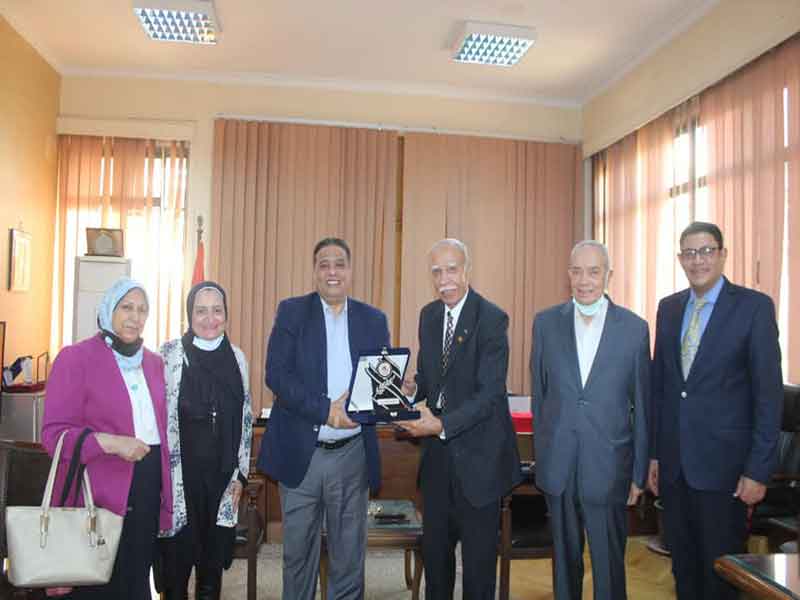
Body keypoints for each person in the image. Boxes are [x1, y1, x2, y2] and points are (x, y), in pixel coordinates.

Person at [648, 221, 783, 600]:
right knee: (684, 571)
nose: (698, 260)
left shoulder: (753, 308)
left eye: (706, 251)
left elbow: (768, 397)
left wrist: (758, 470)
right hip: (675, 471)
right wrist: (656, 454)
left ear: (723, 254)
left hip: (726, 474)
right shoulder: (669, 308)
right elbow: (662, 387)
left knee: (722, 578)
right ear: (680, 259)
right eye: (689, 253)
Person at [257, 237, 390, 600]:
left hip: (352, 456)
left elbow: (378, 381)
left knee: (349, 558)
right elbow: (277, 375)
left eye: (339, 264)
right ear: (315, 271)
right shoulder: (291, 312)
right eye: (324, 264)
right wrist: (327, 410)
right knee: (298, 556)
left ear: (350, 271)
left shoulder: (374, 319)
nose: (332, 271)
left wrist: (395, 387)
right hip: (302, 453)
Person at [398, 238, 521, 600]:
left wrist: (441, 424)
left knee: (479, 572)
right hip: (437, 465)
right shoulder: (429, 316)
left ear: (467, 270)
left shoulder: (492, 319)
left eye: (451, 269)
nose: (444, 279)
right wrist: (409, 390)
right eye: (436, 271)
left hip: (479, 462)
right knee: (436, 565)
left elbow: (489, 395)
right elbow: (430, 380)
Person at [530, 240, 649, 600]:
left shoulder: (634, 328)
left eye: (594, 271)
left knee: (609, 566)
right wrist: (543, 459)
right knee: (564, 566)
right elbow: (541, 398)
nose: (584, 280)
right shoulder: (546, 323)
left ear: (608, 275)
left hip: (609, 465)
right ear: (568, 275)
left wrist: (639, 473)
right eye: (577, 271)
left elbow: (643, 406)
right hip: (560, 465)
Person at [41, 277, 172, 600]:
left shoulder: (155, 364)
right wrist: (112, 443)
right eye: (126, 307)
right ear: (108, 310)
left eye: (142, 310)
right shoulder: (75, 358)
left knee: (135, 582)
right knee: (96, 587)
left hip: (146, 490)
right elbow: (53, 436)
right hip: (96, 494)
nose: (135, 317)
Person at [158, 281, 253, 600]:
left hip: (222, 482)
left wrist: (241, 474)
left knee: (211, 575)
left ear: (226, 314)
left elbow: (245, 419)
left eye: (217, 310)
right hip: (179, 483)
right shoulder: (169, 355)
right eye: (201, 310)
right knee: (175, 575)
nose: (209, 318)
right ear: (189, 314)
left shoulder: (237, 359)